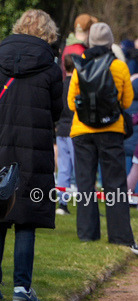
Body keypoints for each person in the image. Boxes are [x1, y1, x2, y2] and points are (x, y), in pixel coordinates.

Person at [0, 10, 64, 301]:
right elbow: (56, 111)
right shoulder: (50, 68)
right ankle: (21, 288)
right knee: (26, 219)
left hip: (2, 143)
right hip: (33, 147)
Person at [67, 22, 138, 254]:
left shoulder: (79, 64)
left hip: (82, 131)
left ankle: (87, 233)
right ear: (110, 42)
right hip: (111, 129)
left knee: (84, 183)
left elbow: (72, 102)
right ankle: (120, 235)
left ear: (90, 41)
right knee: (115, 185)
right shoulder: (119, 66)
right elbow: (128, 102)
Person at [55, 54, 77, 215]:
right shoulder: (76, 87)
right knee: (81, 169)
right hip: (73, 129)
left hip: (61, 129)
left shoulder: (60, 86)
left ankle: (62, 203)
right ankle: (86, 204)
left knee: (63, 169)